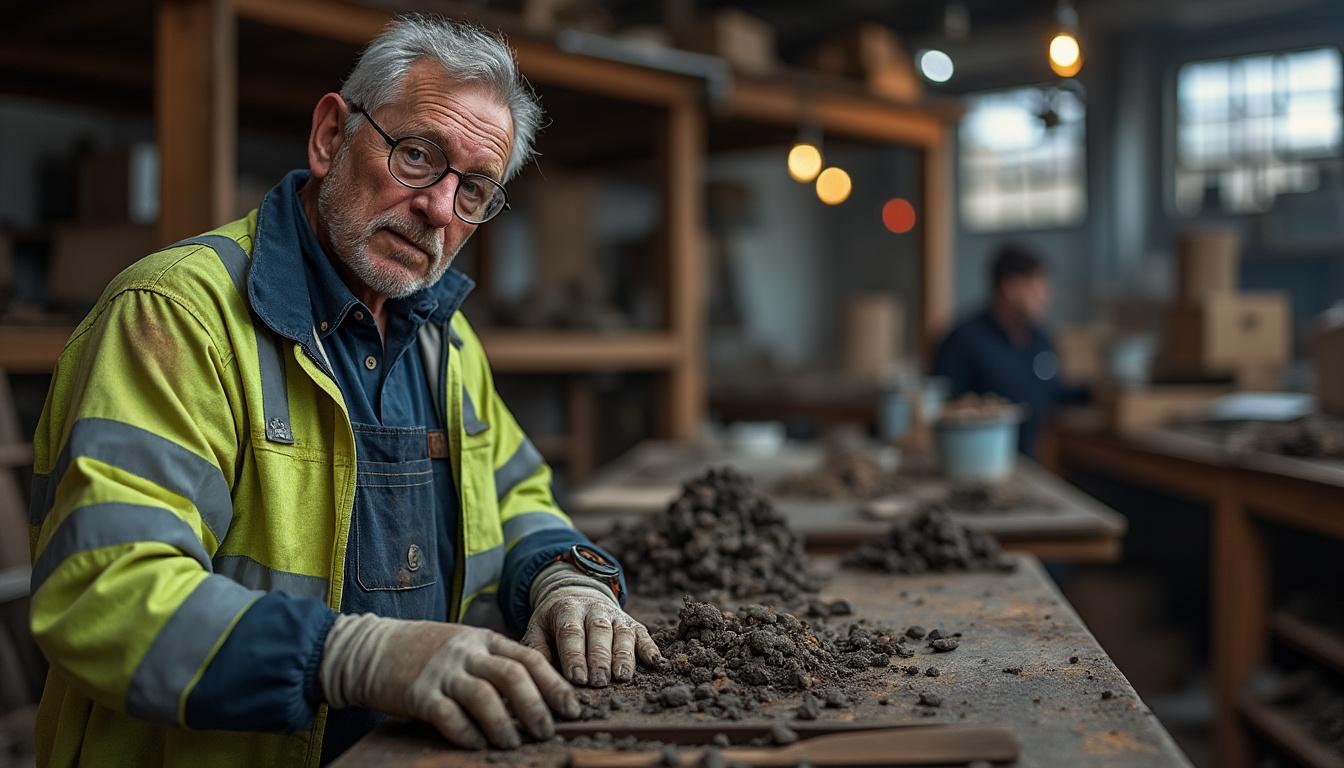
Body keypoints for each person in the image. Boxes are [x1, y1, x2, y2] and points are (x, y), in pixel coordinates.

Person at [27, 16, 661, 766]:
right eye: (419, 155)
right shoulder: (174, 317)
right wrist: (350, 654)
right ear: (331, 135)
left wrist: (562, 577)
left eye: (474, 191)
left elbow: (517, 497)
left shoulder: (443, 341)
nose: (437, 208)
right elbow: (102, 591)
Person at [933, 244, 1076, 456]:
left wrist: (1098, 392)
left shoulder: (1040, 339)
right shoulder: (964, 340)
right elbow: (942, 408)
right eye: (1037, 286)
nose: (1046, 296)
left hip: (1028, 464)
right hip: (975, 459)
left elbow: (1053, 391)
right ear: (1010, 287)